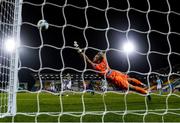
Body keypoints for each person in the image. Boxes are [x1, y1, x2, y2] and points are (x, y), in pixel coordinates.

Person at [74, 44, 151, 100]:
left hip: (114, 78)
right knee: (129, 79)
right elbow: (103, 53)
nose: (94, 57)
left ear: (98, 59)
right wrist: (100, 53)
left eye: (95, 56)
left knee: (131, 87)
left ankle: (145, 92)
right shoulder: (104, 60)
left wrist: (79, 50)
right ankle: (142, 84)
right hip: (115, 72)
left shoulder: (95, 66)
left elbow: (86, 59)